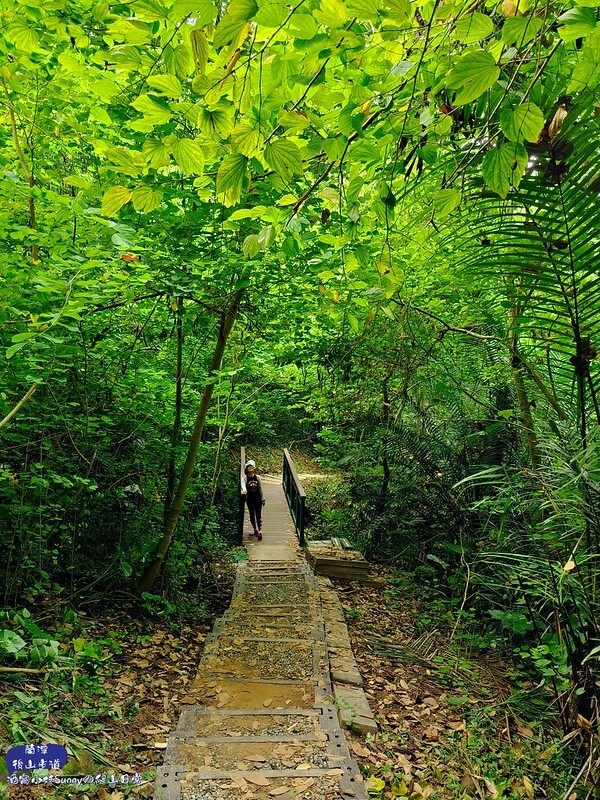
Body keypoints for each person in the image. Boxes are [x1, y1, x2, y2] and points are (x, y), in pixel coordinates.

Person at [244, 460, 265, 540]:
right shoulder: (245, 478)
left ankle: (260, 531)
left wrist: (263, 498)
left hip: (257, 498)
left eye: (251, 467)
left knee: (258, 515)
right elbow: (243, 485)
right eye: (248, 467)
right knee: (252, 514)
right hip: (250, 499)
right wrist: (244, 490)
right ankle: (255, 529)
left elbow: (260, 488)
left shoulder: (257, 477)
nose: (250, 468)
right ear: (246, 470)